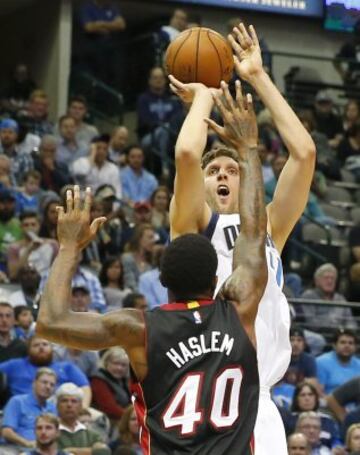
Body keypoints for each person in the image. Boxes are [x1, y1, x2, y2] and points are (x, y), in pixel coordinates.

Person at [36, 169, 267, 452]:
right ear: (216, 282)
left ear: (163, 283)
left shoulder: (138, 328)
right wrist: (249, 150)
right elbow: (254, 234)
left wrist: (69, 247)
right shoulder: (240, 313)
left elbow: (50, 322)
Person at [168, 23, 316, 455]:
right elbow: (187, 155)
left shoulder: (269, 226)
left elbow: (304, 154)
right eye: (214, 172)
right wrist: (202, 100)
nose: (222, 176)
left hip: (261, 399)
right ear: (204, 185)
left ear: (247, 178)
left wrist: (256, 76)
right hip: (206, 391)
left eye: (232, 169)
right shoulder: (194, 226)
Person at [0, 336, 91, 407]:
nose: (41, 348)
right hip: (23, 410)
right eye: (36, 345)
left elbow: (84, 387)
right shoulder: (15, 365)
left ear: (52, 348)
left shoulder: (67, 367)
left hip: (61, 410)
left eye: (45, 344)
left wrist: (83, 407)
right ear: (28, 350)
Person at [1, 367, 57, 450]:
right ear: (34, 383)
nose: (48, 387)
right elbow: (6, 432)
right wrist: (27, 443)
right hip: (17, 449)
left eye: (52, 384)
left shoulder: (52, 407)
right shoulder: (17, 402)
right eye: (44, 382)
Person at [281, 382, 340, 449]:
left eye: (310, 394)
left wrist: (336, 447)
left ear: (316, 398)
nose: (307, 398)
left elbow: (336, 441)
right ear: (296, 399)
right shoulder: (289, 420)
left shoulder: (327, 420)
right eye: (303, 395)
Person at [55, 383, 111, 455]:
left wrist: (69, 450)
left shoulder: (92, 435)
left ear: (81, 406)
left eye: (74, 401)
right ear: (57, 405)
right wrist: (90, 452)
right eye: (64, 401)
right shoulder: (49, 432)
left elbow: (103, 452)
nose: (69, 405)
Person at [300, 264, 356, 330]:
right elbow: (311, 322)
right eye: (326, 278)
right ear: (317, 281)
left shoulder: (340, 299)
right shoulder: (308, 296)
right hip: (319, 334)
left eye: (332, 278)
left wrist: (349, 331)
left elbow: (350, 321)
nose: (330, 281)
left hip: (339, 336)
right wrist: (334, 326)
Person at [7, 211, 59, 281]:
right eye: (26, 225)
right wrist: (28, 250)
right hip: (22, 286)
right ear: (21, 227)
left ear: (39, 226)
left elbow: (59, 271)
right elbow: (13, 275)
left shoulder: (52, 244)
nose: (30, 227)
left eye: (33, 224)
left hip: (47, 284)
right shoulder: (14, 248)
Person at [90, 347, 131, 422]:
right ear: (106, 363)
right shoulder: (98, 380)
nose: (119, 368)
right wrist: (132, 416)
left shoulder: (124, 380)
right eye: (115, 363)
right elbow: (110, 409)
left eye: (123, 365)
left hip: (124, 419)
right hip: (105, 422)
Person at [316, 329, 360, 395]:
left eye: (350, 343)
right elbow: (318, 394)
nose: (347, 346)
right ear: (334, 345)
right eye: (343, 342)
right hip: (328, 403)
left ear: (356, 347)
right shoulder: (321, 362)